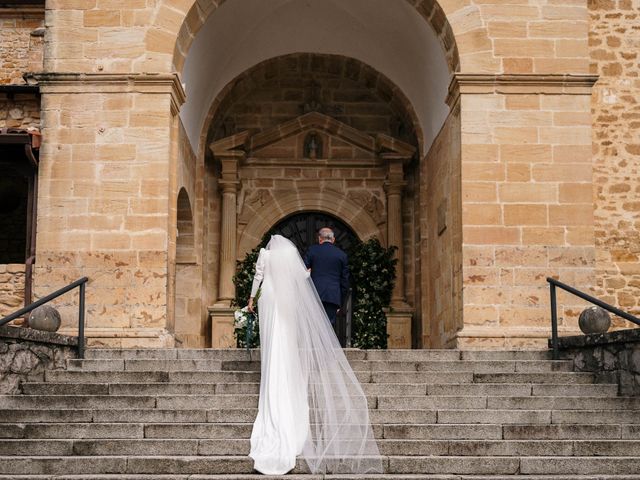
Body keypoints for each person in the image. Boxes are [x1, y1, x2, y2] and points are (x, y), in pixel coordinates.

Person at [246, 235, 381, 475]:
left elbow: (258, 276)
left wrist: (251, 298)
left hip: (269, 297)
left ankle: (273, 373)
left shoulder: (265, 255)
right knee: (286, 337)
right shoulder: (293, 256)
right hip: (292, 300)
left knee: (271, 338)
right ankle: (290, 371)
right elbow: (303, 277)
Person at [303, 227, 349, 326]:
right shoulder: (342, 255)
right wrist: (340, 302)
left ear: (320, 239)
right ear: (333, 240)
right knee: (328, 330)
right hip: (332, 297)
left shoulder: (312, 250)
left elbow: (302, 271)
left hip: (314, 295)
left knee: (313, 327)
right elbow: (345, 281)